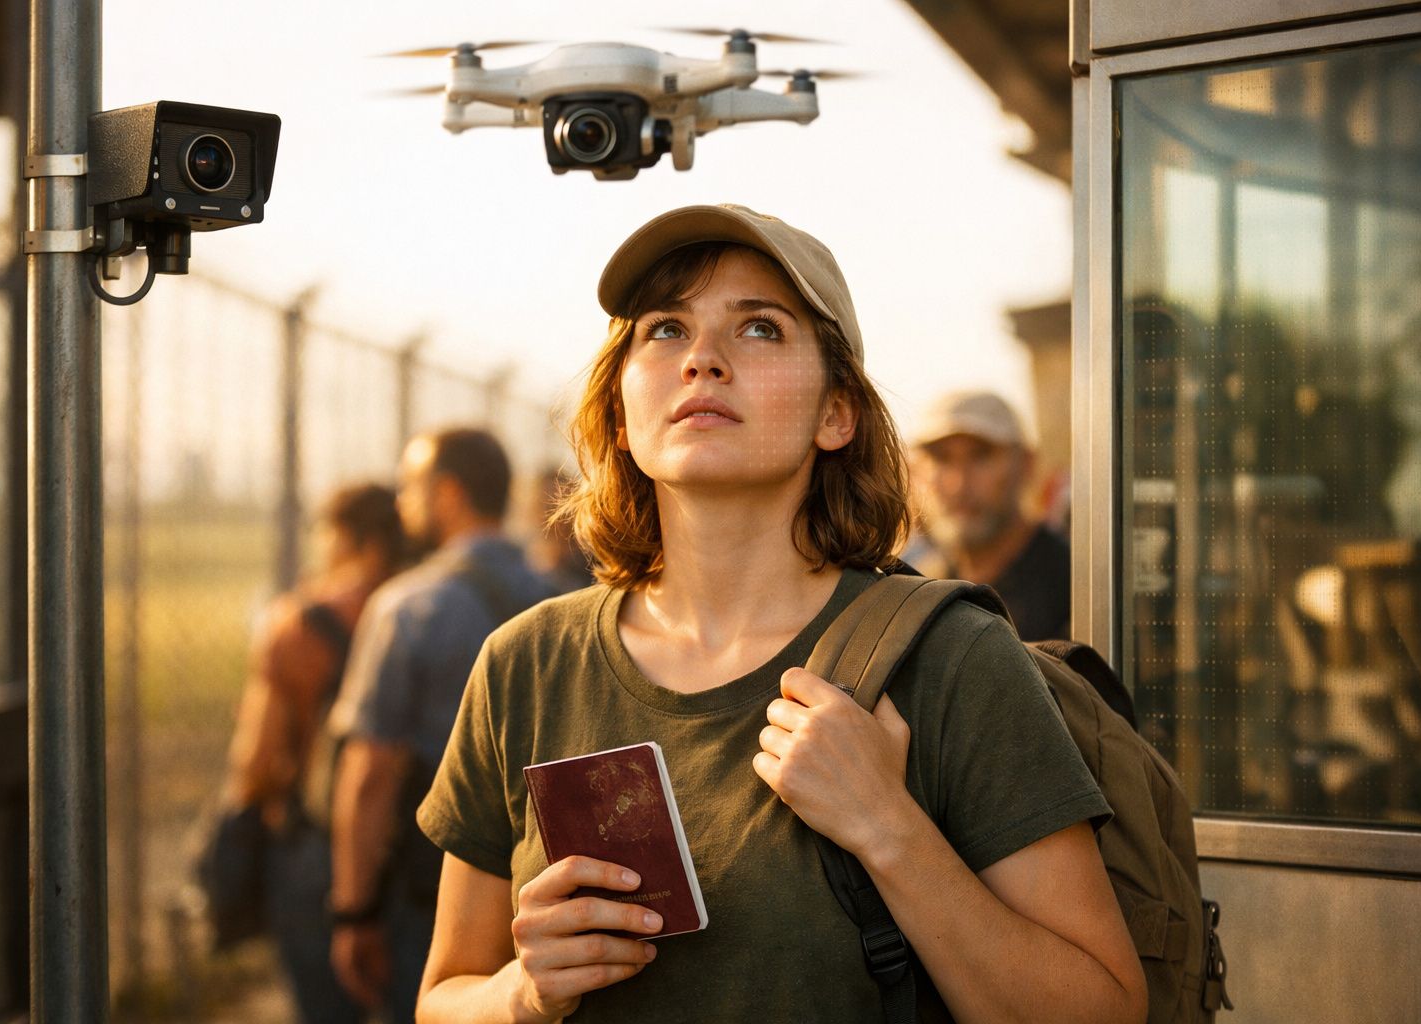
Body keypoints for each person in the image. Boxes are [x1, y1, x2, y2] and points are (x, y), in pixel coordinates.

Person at [413, 205, 1146, 1023]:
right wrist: (522, 992)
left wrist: (888, 829)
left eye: (759, 329)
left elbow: (1104, 1008)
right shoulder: (524, 665)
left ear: (837, 414)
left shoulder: (954, 658)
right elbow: (443, 997)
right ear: (621, 413)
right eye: (664, 330)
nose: (702, 360)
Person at [325, 428, 557, 1024]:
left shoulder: (408, 606)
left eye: (411, 485)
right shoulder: (566, 596)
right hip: (549, 882)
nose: (403, 502)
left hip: (431, 890)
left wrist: (353, 912)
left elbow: (371, 774)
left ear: (448, 493)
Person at [222, 482, 404, 1024]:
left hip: (313, 846)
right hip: (413, 846)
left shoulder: (298, 623)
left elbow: (256, 762)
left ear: (348, 537)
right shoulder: (425, 611)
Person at [909, 389, 1073, 640]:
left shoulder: (1074, 586)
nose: (958, 484)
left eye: (981, 456)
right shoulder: (920, 588)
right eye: (942, 459)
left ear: (1026, 464)